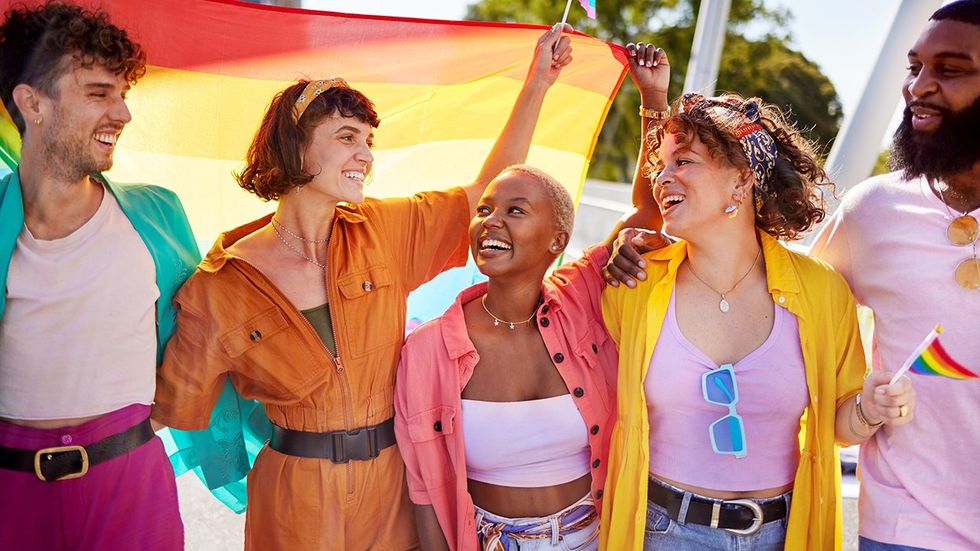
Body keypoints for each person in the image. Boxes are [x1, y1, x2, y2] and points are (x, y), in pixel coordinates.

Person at [152, 25, 573, 551]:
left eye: (369, 142)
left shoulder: (384, 230)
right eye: (347, 137)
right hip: (293, 498)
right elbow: (176, 412)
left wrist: (538, 83)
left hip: (393, 486)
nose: (367, 156)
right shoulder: (217, 287)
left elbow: (482, 193)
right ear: (295, 144)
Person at [597, 45, 917, 551]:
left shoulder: (820, 289)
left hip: (786, 533)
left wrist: (871, 408)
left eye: (684, 162)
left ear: (742, 179)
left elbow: (840, 425)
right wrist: (652, 99)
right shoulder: (633, 284)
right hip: (662, 531)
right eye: (660, 166)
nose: (662, 178)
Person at [392, 43, 667, 551]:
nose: (491, 221)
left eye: (516, 211)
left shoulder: (584, 296)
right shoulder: (428, 349)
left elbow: (651, 210)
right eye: (486, 209)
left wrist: (653, 96)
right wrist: (539, 81)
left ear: (557, 241)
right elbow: (424, 490)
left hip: (597, 536)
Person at [0, 3, 199, 549]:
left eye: (122, 94)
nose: (123, 113)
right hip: (8, 494)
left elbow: (211, 324)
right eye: (97, 93)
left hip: (130, 484)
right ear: (32, 102)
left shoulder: (157, 213)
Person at [810, 2, 980, 549]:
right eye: (915, 67)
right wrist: (651, 245)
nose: (920, 87)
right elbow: (785, 305)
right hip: (908, 527)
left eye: (950, 70)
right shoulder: (873, 209)